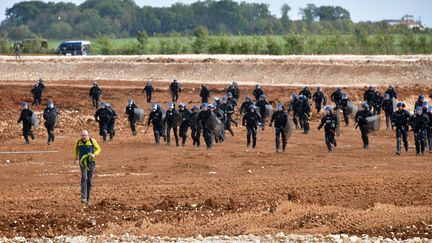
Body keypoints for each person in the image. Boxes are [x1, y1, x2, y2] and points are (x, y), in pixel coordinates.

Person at [74, 130, 101, 204]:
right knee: (84, 177)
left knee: (89, 180)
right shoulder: (78, 142)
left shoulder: (92, 141)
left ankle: (88, 199)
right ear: (81, 136)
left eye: (85, 135)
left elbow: (99, 149)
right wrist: (76, 158)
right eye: (82, 135)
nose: (84, 137)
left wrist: (94, 154)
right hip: (82, 162)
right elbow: (76, 150)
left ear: (88, 135)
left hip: (91, 162)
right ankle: (83, 197)